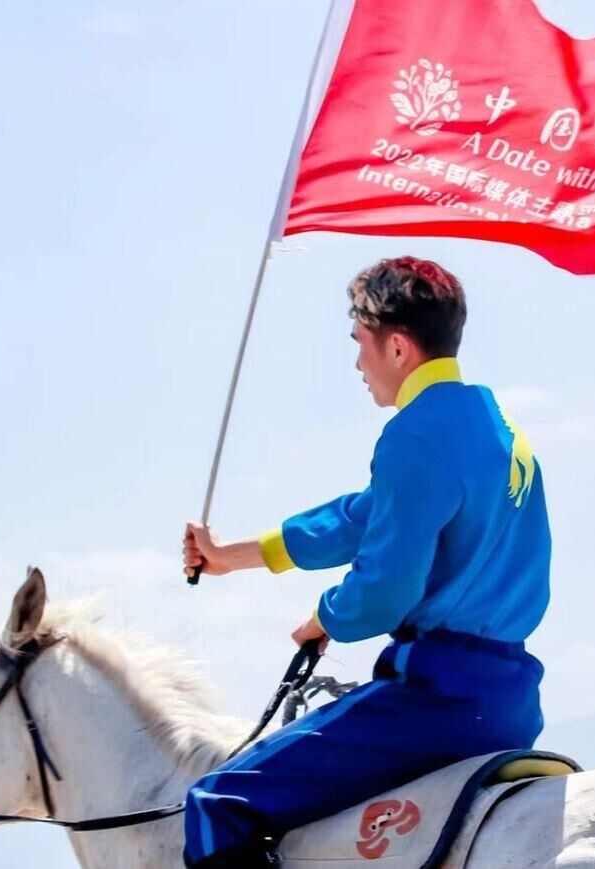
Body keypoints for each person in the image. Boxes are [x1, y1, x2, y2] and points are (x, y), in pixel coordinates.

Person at [179, 256, 552, 867]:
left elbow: (384, 593)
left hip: (436, 699)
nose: (357, 365)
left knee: (218, 800)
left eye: (361, 344)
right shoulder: (497, 423)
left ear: (398, 347)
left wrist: (325, 617)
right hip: (509, 699)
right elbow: (363, 518)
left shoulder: (417, 434)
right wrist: (230, 557)